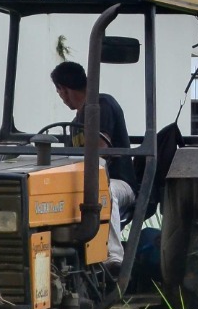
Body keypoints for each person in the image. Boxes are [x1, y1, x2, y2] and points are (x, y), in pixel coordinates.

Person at [50, 61, 135, 268]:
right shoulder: (76, 121)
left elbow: (100, 152)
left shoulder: (102, 105)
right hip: (87, 185)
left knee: (104, 191)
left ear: (64, 89)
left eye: (59, 92)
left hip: (119, 183)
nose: (61, 98)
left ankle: (114, 258)